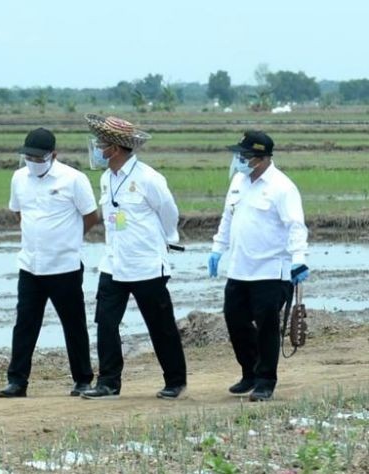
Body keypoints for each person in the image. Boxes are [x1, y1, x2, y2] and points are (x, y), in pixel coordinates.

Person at [81, 114, 187, 400]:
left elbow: (169, 214)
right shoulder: (107, 178)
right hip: (114, 262)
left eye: (100, 144)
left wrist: (163, 241)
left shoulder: (148, 178)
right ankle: (108, 382)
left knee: (160, 325)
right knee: (105, 322)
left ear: (114, 149)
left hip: (146, 264)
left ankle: (175, 380)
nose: (97, 149)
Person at [0, 128, 98, 399]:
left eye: (39, 158)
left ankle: (83, 380)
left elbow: (90, 216)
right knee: (25, 324)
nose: (33, 162)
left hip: (64, 266)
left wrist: (67, 240)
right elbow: (19, 213)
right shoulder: (19, 179)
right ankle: (17, 382)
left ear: (54, 155)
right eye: (28, 156)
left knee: (73, 324)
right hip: (30, 265)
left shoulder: (73, 179)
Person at [209, 130, 309, 402]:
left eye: (245, 155)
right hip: (240, 268)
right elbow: (227, 219)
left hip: (271, 271)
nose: (239, 160)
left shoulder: (281, 187)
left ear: (261, 158)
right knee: (234, 318)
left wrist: (299, 259)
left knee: (266, 325)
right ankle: (249, 372)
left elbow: (295, 226)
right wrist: (218, 248)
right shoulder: (239, 182)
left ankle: (266, 380)